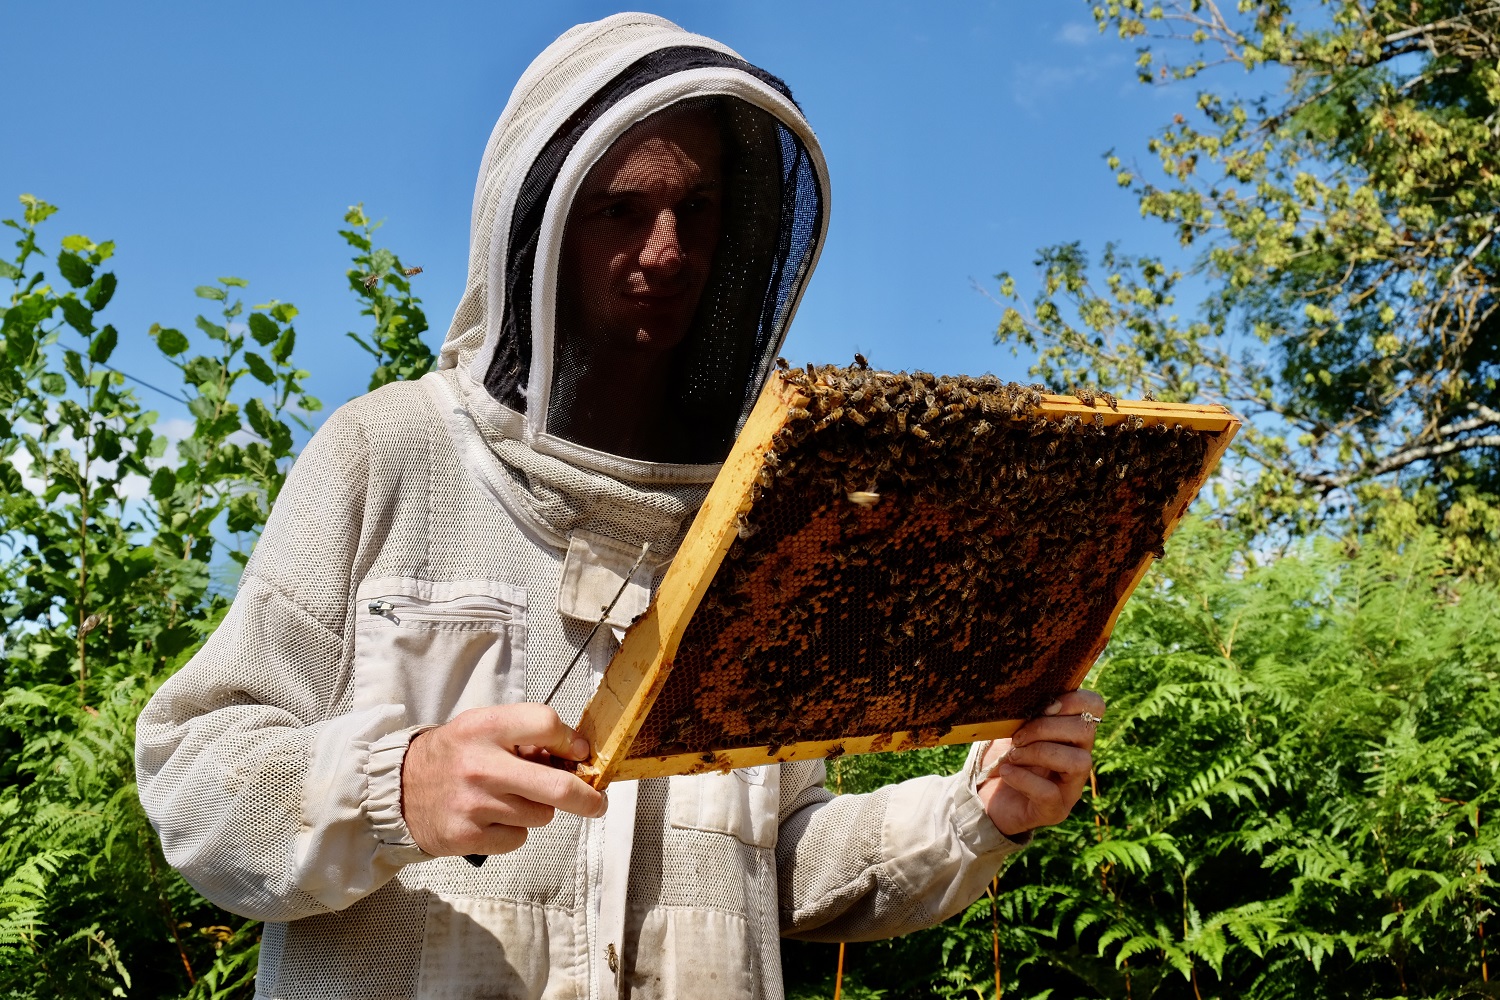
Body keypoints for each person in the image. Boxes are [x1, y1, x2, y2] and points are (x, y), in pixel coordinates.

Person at [135, 13, 1104, 1000]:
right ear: (538, 228)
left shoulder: (754, 516)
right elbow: (194, 777)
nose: (667, 250)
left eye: (698, 208)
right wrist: (402, 785)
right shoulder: (391, 453)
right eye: (618, 211)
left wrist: (977, 809)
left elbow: (778, 863)